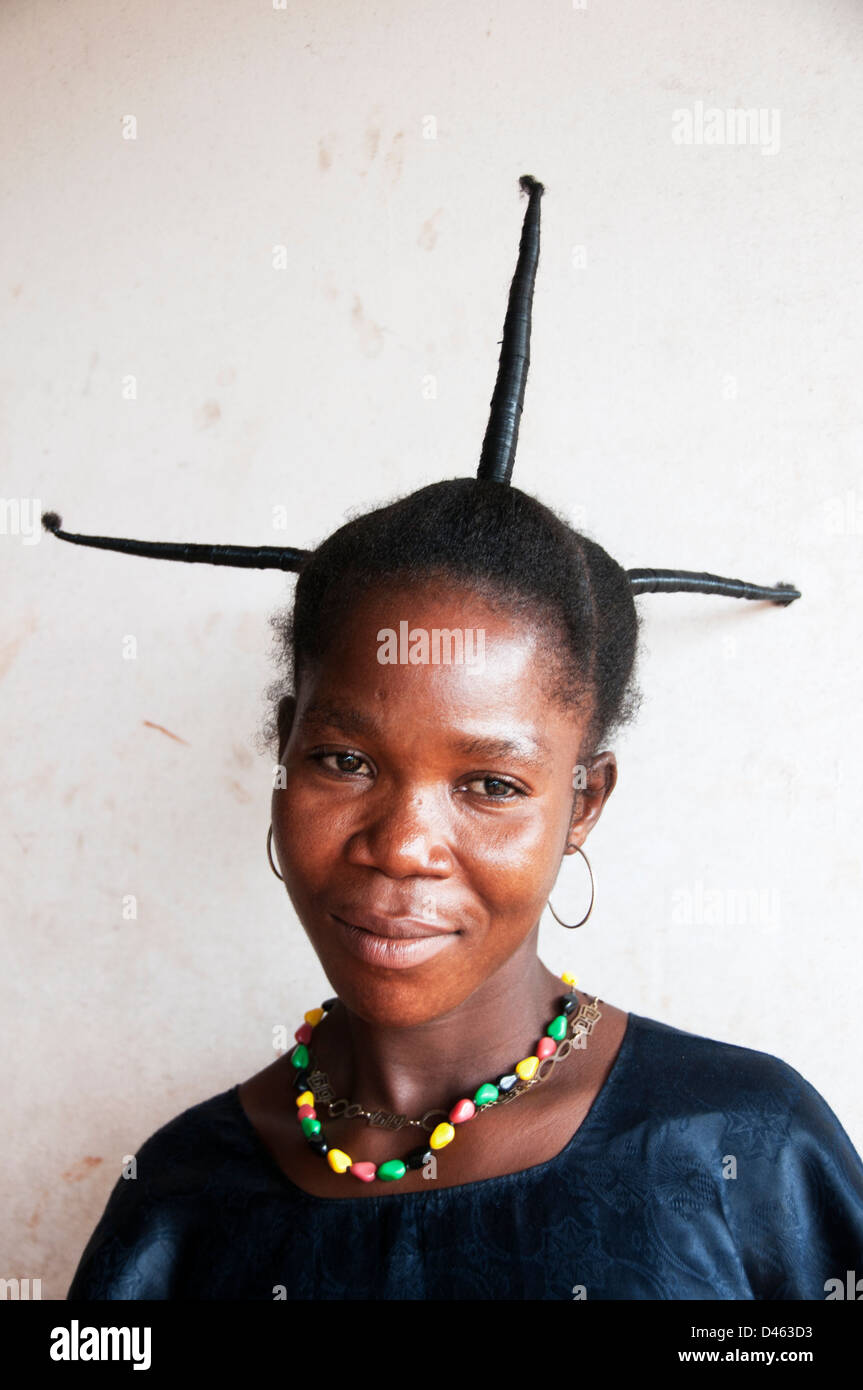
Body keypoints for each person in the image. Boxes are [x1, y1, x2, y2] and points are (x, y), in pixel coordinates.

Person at [49, 179, 861, 1300]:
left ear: (582, 803)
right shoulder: (181, 1201)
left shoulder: (740, 1152)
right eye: (344, 760)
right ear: (281, 754)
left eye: (487, 782)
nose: (402, 846)